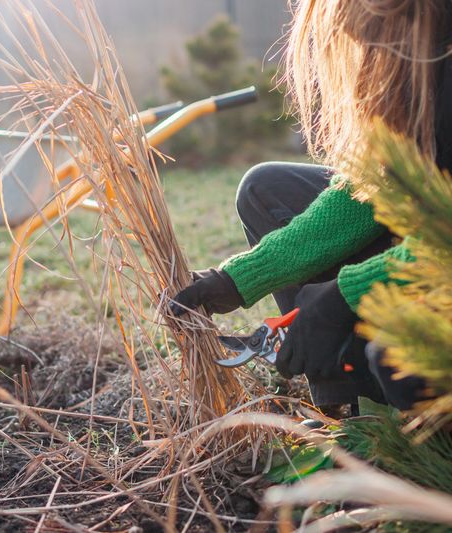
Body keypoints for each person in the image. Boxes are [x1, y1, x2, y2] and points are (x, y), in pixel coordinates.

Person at [170, 0, 452, 412]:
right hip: (429, 251)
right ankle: (350, 408)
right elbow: (371, 190)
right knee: (266, 189)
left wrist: (345, 296)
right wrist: (239, 279)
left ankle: (410, 434)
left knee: (397, 359)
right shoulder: (418, 57)